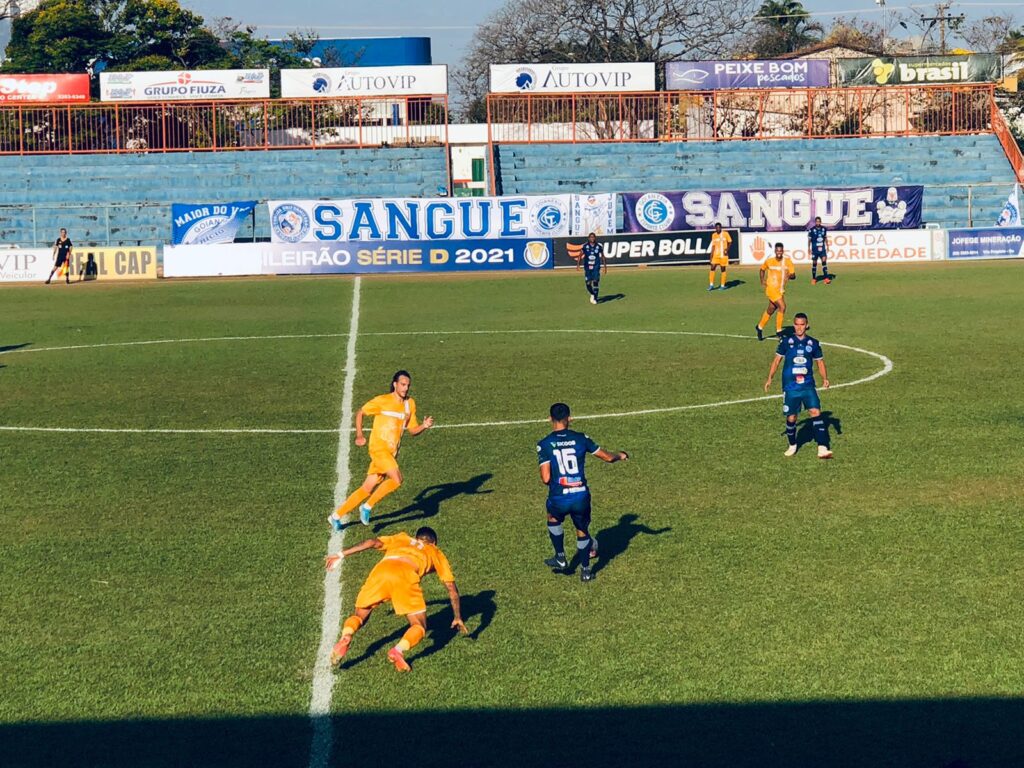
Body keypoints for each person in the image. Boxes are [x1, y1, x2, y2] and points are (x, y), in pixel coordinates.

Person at [326, 526, 467, 672]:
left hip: (381, 572)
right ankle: (398, 650)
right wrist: (457, 616)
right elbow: (451, 589)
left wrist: (341, 554)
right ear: (434, 542)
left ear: (416, 537)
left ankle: (347, 635)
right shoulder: (434, 551)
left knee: (360, 615)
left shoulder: (402, 538)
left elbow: (371, 542)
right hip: (405, 576)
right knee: (418, 625)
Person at [328, 370, 433, 531]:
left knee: (366, 488)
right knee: (397, 479)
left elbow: (412, 430)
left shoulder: (409, 404)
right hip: (378, 449)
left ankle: (335, 516)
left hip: (391, 453)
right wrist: (359, 435)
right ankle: (367, 507)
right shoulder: (382, 400)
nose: (406, 388)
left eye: (408, 385)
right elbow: (361, 412)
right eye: (403, 385)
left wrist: (424, 426)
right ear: (395, 384)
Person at [537, 402, 629, 582]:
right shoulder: (581, 438)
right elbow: (607, 457)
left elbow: (546, 478)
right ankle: (586, 571)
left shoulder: (545, 444)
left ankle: (561, 557)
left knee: (553, 518)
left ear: (550, 419)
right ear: (569, 418)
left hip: (559, 496)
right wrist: (620, 455)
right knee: (581, 529)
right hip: (580, 495)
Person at [763, 312, 833, 459]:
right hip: (790, 387)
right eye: (797, 324)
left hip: (808, 386)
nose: (799, 327)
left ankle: (822, 447)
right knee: (792, 418)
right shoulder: (785, 342)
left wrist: (825, 378)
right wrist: (770, 378)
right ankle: (793, 444)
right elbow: (777, 361)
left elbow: (820, 362)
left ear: (807, 325)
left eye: (802, 324)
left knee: (815, 412)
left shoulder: (813, 343)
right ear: (794, 325)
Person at [756, 242, 796, 341]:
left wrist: (790, 276)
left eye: (780, 251)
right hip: (771, 288)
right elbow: (762, 269)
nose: (779, 252)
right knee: (782, 307)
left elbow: (794, 275)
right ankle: (779, 332)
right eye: (777, 250)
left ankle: (759, 327)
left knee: (771, 309)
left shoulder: (788, 261)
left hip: (780, 290)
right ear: (775, 251)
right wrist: (762, 280)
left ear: (783, 251)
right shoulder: (769, 261)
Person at [577, 232, 606, 304]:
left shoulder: (599, 246)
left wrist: (605, 267)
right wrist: (578, 265)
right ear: (589, 238)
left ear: (595, 238)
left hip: (596, 266)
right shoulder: (585, 246)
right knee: (588, 283)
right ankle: (592, 294)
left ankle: (595, 298)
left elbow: (602, 256)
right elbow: (580, 255)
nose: (592, 238)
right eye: (591, 237)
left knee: (596, 281)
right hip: (587, 267)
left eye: (593, 237)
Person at [808, 216, 832, 285]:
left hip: (822, 249)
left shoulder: (824, 229)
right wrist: (808, 248)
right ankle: (814, 279)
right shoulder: (811, 230)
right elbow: (809, 240)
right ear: (815, 222)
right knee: (814, 263)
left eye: (819, 221)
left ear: (820, 222)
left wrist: (827, 246)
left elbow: (825, 238)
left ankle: (826, 278)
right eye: (817, 221)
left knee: (824, 262)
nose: (818, 222)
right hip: (815, 249)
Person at [708, 222, 732, 291]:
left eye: (719, 227)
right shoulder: (714, 235)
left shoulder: (725, 234)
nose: (718, 229)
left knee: (723, 269)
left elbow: (730, 242)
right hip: (716, 255)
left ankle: (722, 285)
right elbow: (713, 246)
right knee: (712, 267)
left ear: (721, 228)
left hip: (723, 256)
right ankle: (711, 285)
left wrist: (727, 249)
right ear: (715, 228)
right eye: (716, 227)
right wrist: (711, 255)